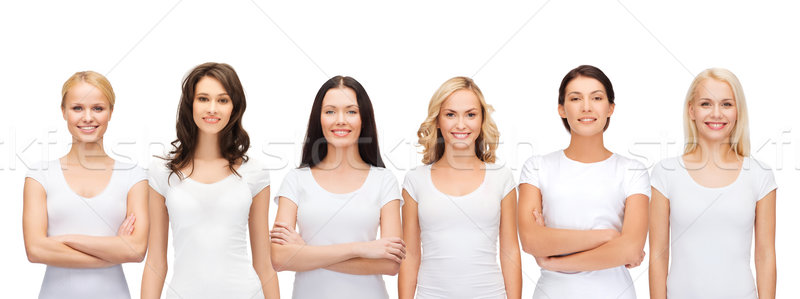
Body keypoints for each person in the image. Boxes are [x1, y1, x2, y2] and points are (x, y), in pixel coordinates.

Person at [141, 62, 279, 298]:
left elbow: (264, 264)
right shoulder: (162, 172)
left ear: (234, 108)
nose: (212, 108)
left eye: (223, 100)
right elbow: (155, 262)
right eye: (203, 99)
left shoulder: (255, 172)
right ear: (190, 105)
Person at [517, 65, 649, 299]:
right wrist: (607, 237)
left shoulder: (632, 171)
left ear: (610, 108)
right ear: (561, 109)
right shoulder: (537, 167)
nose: (586, 107)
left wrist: (555, 261)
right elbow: (530, 241)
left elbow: (630, 249)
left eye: (597, 98)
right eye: (575, 98)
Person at [270, 75, 404, 299]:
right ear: (319, 119)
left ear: (364, 119)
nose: (340, 120)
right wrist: (360, 249)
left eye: (351, 111)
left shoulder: (384, 180)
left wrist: (305, 253)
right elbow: (279, 259)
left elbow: (390, 264)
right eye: (330, 111)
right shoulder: (296, 180)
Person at [649, 68, 776, 299]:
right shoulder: (665, 173)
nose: (716, 113)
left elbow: (765, 254)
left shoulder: (760, 175)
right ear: (692, 110)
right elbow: (658, 254)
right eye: (706, 103)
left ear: (738, 112)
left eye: (726, 104)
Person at [23, 71, 149, 299]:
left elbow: (136, 250)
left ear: (111, 111)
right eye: (77, 108)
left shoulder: (134, 176)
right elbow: (35, 250)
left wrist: (63, 240)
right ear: (63, 111)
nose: (88, 117)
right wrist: (114, 250)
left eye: (98, 108)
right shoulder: (40, 175)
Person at [397, 76, 522, 299]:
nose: (461, 124)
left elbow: (510, 250)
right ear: (437, 120)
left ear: (482, 119)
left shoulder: (501, 177)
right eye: (450, 114)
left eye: (471, 115)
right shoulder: (415, 181)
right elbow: (411, 255)